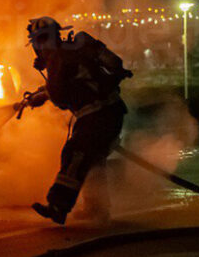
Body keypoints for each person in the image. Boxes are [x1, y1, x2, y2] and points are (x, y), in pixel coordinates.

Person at [16, 16, 133, 225]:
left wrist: (43, 94)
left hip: (97, 116)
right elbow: (82, 78)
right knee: (93, 160)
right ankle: (97, 209)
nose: (39, 47)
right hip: (111, 112)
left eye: (39, 41)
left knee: (75, 155)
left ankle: (58, 206)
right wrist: (40, 94)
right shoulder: (73, 49)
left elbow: (60, 97)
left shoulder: (58, 59)